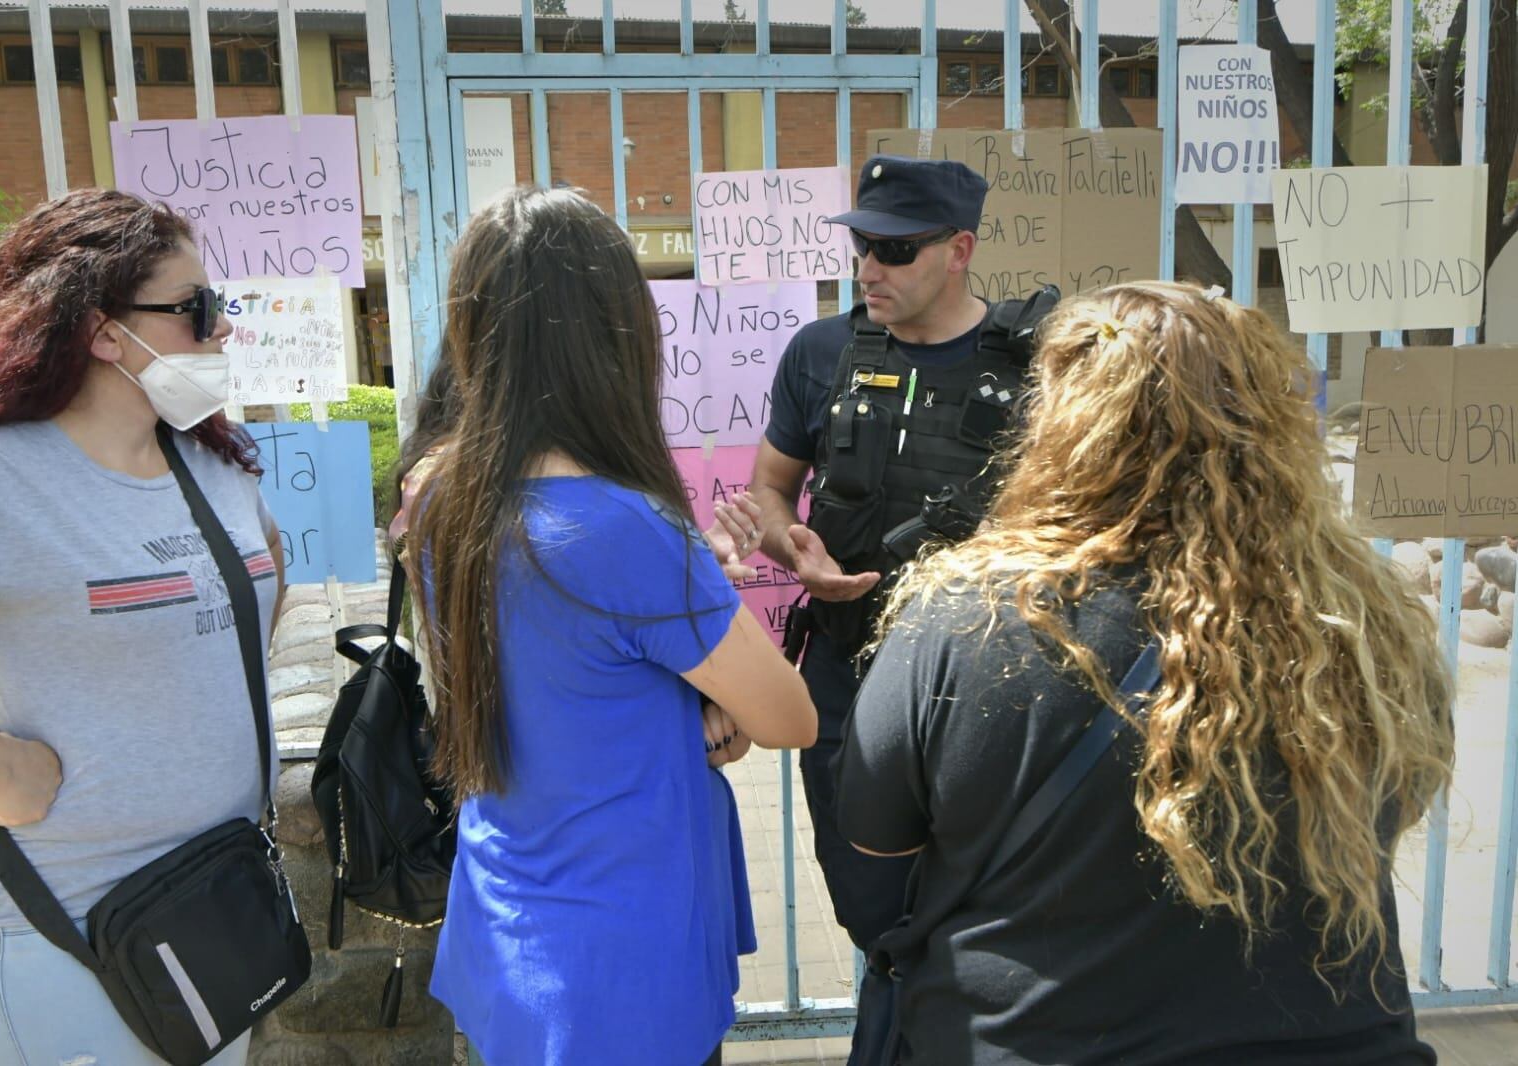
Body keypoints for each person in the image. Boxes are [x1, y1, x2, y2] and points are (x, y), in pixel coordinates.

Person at [837, 281, 1454, 1064]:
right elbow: (1394, 806)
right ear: (1267, 422)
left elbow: (873, 857)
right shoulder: (1365, 619)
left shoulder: (964, 616)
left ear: (1061, 423)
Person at [399, 186, 818, 1066]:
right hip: (621, 958)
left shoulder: (439, 495)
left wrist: (684, 650)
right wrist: (704, 632)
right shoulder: (624, 530)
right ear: (616, 333)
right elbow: (790, 718)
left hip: (512, 927)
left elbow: (552, 663)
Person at [0, 188, 285, 1064]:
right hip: (56, 934)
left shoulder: (208, 461)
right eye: (196, 309)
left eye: (221, 306)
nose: (222, 329)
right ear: (100, 331)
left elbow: (255, 594)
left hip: (209, 908)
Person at [725, 153, 1056, 1050]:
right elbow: (765, 491)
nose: (869, 268)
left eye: (895, 250)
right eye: (862, 246)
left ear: (959, 250)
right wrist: (793, 548)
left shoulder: (1034, 363)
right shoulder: (821, 353)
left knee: (979, 896)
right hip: (847, 671)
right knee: (871, 901)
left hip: (985, 683)